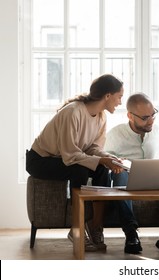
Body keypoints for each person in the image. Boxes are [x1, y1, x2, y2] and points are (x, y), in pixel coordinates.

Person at [25, 74, 125, 252]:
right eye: (119, 97)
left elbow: (94, 148)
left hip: (65, 158)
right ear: (108, 96)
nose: (119, 102)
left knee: (102, 168)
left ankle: (96, 226)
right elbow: (70, 155)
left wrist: (108, 158)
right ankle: (76, 228)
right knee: (79, 170)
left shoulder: (101, 116)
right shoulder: (73, 112)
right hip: (41, 160)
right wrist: (101, 159)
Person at [104, 93, 159, 254]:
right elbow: (105, 160)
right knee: (119, 175)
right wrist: (115, 163)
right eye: (145, 118)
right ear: (130, 116)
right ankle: (131, 233)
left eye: (153, 115)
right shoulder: (115, 135)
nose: (151, 121)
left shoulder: (158, 132)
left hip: (153, 178)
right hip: (127, 178)